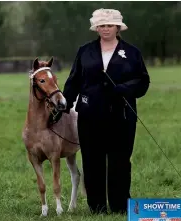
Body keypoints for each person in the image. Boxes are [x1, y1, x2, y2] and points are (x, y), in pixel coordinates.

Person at [60, 8, 150, 215]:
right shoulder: (85, 51)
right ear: (96, 28)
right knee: (92, 161)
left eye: (109, 25)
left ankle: (120, 207)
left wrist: (125, 89)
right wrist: (65, 104)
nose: (105, 29)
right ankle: (97, 207)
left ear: (118, 27)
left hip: (122, 116)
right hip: (90, 115)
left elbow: (143, 81)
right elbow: (74, 81)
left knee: (120, 161)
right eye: (101, 25)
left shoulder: (132, 52)